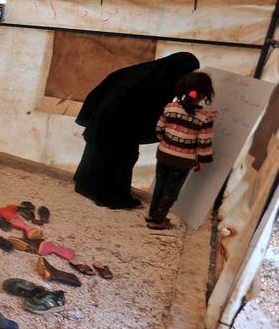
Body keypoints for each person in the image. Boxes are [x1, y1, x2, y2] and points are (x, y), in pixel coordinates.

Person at [73, 52, 200, 209]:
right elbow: (151, 110)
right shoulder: (158, 82)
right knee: (119, 158)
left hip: (105, 119)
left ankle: (87, 186)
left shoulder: (145, 72)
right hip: (118, 124)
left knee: (99, 154)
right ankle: (111, 196)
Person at [147, 72, 215, 229]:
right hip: (183, 160)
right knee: (171, 190)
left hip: (163, 153)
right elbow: (204, 143)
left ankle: (152, 215)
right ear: (205, 93)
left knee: (160, 185)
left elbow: (159, 129)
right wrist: (202, 160)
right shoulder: (205, 117)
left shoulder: (170, 108)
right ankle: (157, 221)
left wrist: (167, 141)